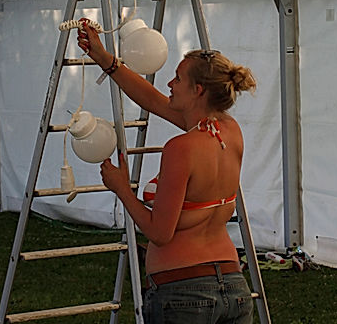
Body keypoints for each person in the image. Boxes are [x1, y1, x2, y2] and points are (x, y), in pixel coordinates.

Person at [77, 20, 257, 323]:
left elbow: (159, 233)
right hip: (234, 286)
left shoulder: (181, 147)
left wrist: (121, 188)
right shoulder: (230, 131)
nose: (169, 85)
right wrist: (105, 59)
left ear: (198, 90)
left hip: (184, 294)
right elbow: (152, 99)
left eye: (177, 79)